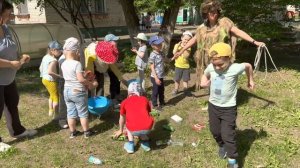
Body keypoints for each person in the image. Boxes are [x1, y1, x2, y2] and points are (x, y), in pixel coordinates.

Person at [173, 0, 265, 90]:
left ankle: (226, 99)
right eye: (211, 12)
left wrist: (255, 42)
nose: (214, 14)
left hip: (223, 60)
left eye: (216, 12)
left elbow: (238, 32)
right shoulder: (202, 29)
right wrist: (181, 51)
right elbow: (193, 40)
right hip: (210, 60)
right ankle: (215, 99)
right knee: (212, 81)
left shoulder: (224, 23)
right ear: (206, 13)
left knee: (224, 80)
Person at [200, 42, 254, 168]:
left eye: (220, 64)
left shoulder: (235, 68)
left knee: (228, 135)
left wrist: (250, 79)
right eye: (215, 64)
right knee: (215, 131)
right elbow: (205, 73)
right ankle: (222, 145)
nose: (217, 68)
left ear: (229, 59)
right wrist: (204, 82)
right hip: (213, 105)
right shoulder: (212, 67)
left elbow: (248, 66)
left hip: (228, 108)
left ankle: (232, 161)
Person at [0, 0, 37, 144]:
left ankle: (17, 131)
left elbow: (10, 48)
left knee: (12, 103)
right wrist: (10, 63)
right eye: (8, 14)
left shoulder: (6, 28)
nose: (11, 17)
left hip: (9, 77)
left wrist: (21, 58)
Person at [61, 37, 97, 139]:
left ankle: (73, 132)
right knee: (83, 112)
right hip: (77, 91)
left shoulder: (63, 63)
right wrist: (90, 84)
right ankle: (87, 132)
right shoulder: (77, 64)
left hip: (67, 91)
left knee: (70, 112)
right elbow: (80, 79)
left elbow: (70, 77)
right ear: (76, 51)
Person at [113, 81, 154, 153]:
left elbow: (122, 119)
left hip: (133, 129)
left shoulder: (124, 102)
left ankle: (130, 145)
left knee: (128, 122)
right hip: (148, 128)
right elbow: (148, 112)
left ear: (129, 92)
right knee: (142, 119)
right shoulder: (145, 99)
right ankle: (145, 143)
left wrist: (121, 130)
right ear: (140, 92)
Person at [84, 34, 127, 101]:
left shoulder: (110, 50)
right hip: (91, 68)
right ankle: (89, 103)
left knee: (100, 85)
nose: (117, 43)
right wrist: (92, 80)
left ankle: (99, 102)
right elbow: (89, 69)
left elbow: (113, 66)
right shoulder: (91, 52)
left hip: (99, 68)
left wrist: (122, 79)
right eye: (115, 41)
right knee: (90, 86)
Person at [39, 41, 62, 117]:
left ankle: (50, 111)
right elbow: (50, 72)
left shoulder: (45, 57)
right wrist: (59, 76)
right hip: (50, 81)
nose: (60, 52)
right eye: (59, 50)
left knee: (51, 95)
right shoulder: (53, 60)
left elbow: (40, 68)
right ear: (53, 50)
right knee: (56, 97)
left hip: (44, 79)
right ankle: (56, 114)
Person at [171, 31, 193, 96]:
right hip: (178, 66)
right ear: (182, 38)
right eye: (185, 39)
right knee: (177, 79)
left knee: (185, 79)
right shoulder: (177, 45)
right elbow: (174, 53)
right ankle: (176, 89)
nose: (186, 41)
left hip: (186, 66)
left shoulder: (189, 47)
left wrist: (184, 48)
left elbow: (186, 56)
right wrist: (179, 47)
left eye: (188, 40)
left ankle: (185, 89)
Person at [148, 35, 166, 110]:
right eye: (158, 44)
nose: (160, 45)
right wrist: (156, 78)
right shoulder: (153, 55)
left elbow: (166, 60)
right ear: (153, 46)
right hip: (155, 77)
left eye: (160, 44)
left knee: (161, 90)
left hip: (161, 76)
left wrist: (174, 57)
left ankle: (162, 102)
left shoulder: (161, 53)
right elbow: (151, 67)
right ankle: (155, 105)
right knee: (155, 91)